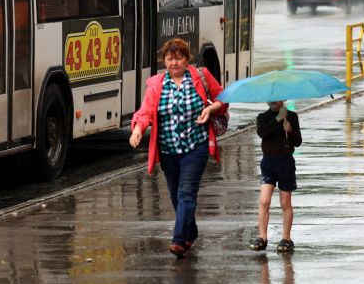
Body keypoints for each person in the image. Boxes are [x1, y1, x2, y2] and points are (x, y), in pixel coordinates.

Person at [129, 39, 228, 258]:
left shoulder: (200, 77)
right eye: (169, 59)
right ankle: (190, 230)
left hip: (196, 146)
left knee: (186, 192)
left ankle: (179, 240)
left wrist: (211, 108)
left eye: (179, 58)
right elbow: (145, 112)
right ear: (164, 60)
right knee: (175, 195)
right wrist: (137, 130)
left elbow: (223, 99)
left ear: (187, 59)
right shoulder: (156, 84)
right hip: (168, 151)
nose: (174, 63)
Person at [249, 100, 302, 252]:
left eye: (277, 97)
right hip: (268, 163)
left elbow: (298, 142)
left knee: (285, 202)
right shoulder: (263, 117)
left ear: (283, 99)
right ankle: (263, 236)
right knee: (264, 200)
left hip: (286, 163)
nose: (273, 100)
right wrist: (277, 119)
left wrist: (290, 130)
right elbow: (262, 132)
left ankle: (286, 237)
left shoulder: (291, 116)